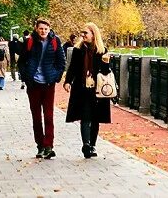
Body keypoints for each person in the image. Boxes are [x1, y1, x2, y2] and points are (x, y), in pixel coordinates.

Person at [63, 22, 113, 159]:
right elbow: (72, 67)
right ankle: (86, 144)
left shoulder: (102, 50)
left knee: (95, 117)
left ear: (93, 34)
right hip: (82, 87)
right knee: (85, 116)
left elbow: (105, 72)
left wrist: (106, 62)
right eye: (82, 33)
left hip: (97, 90)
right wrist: (67, 81)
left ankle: (92, 144)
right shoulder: (78, 50)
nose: (82, 35)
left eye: (85, 33)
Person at [19, 18, 65, 159]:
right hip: (34, 85)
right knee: (37, 117)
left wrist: (55, 77)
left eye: (46, 29)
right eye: (41, 28)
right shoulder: (29, 41)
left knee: (49, 116)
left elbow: (61, 62)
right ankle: (40, 145)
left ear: (49, 29)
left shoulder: (55, 41)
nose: (43, 31)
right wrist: (27, 77)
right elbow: (21, 62)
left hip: (48, 84)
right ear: (36, 29)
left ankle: (48, 145)